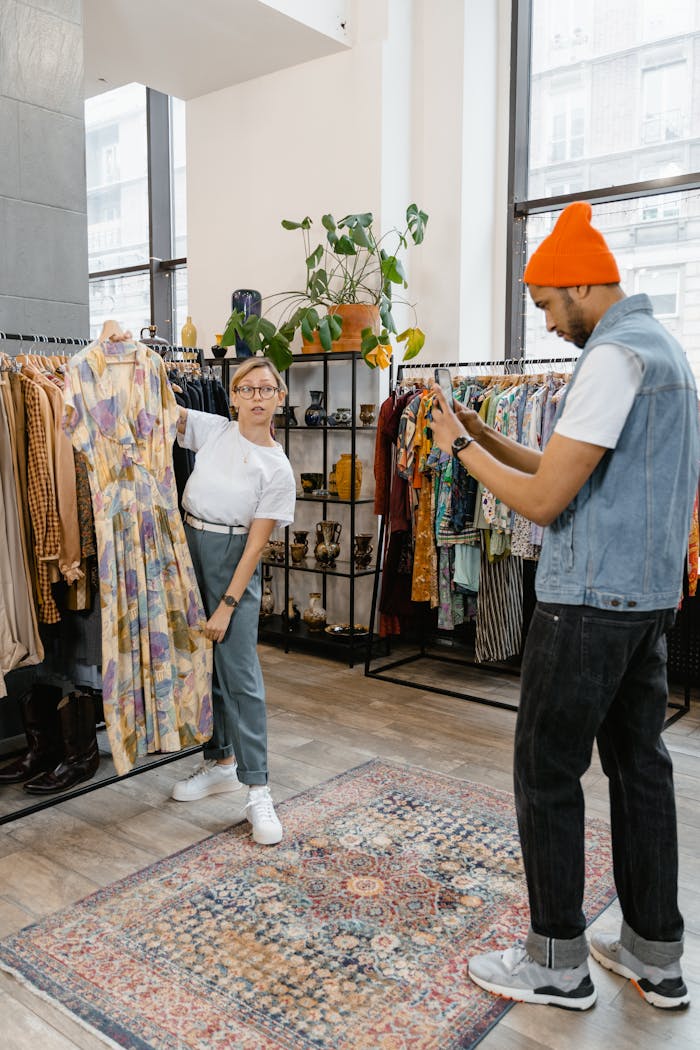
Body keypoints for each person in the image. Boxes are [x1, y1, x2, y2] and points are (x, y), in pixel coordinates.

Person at [429, 201, 699, 1011]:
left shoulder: (613, 356)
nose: (547, 324)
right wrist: (487, 434)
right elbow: (566, 466)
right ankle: (655, 953)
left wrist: (461, 450)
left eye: (548, 303)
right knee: (639, 770)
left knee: (546, 775)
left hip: (585, 606)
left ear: (582, 281)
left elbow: (545, 502)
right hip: (645, 605)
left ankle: (555, 964)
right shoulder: (666, 353)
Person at [170, 358, 295, 845]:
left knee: (240, 674)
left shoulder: (277, 468)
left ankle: (258, 788)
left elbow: (257, 545)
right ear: (234, 397)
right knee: (203, 664)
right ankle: (219, 760)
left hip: (232, 556)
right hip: (189, 543)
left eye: (267, 389)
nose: (258, 397)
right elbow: (162, 408)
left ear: (279, 398)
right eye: (248, 389)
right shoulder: (214, 430)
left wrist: (227, 604)